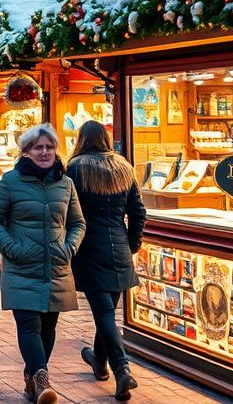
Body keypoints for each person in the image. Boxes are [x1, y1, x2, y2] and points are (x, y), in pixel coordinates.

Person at [0, 124, 85, 404]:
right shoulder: (10, 181)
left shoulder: (65, 183)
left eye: (49, 147)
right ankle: (42, 380)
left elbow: (78, 223)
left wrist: (69, 248)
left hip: (56, 267)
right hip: (21, 267)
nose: (44, 152)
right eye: (38, 147)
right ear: (26, 152)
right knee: (29, 325)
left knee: (48, 327)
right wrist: (12, 249)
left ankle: (33, 379)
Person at [65, 120, 145, 400]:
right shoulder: (123, 167)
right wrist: (132, 244)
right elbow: (138, 212)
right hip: (119, 247)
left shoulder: (75, 168)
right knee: (107, 309)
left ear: (81, 139)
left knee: (104, 312)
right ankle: (99, 361)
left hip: (88, 249)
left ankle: (122, 370)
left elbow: (66, 211)